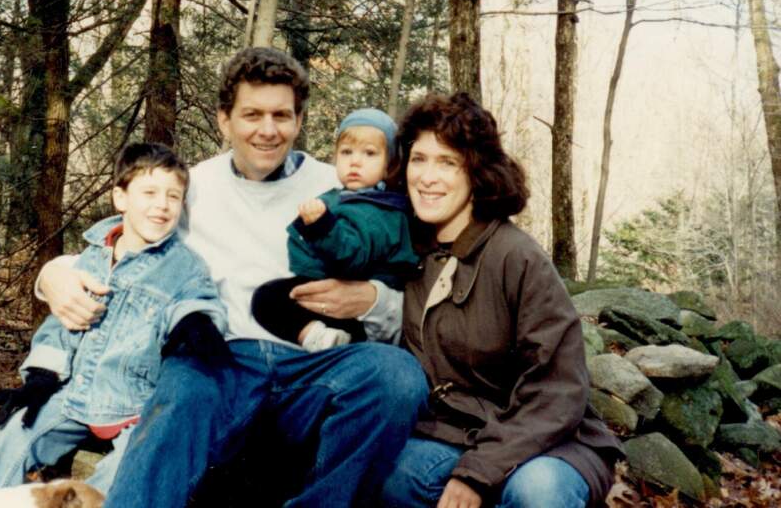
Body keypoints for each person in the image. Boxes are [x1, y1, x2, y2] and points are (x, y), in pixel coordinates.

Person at [37, 47, 428, 508]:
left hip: (311, 363)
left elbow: (403, 283)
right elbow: (125, 246)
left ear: (299, 121)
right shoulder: (193, 188)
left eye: (281, 115)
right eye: (252, 114)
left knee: (397, 376)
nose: (268, 129)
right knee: (181, 384)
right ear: (224, 120)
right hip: (220, 361)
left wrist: (369, 299)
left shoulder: (338, 187)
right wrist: (52, 274)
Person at [381, 93, 622, 508]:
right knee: (388, 477)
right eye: (419, 159)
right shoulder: (403, 249)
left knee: (536, 492)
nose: (427, 176)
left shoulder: (517, 256)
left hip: (550, 442)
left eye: (448, 162)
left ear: (476, 172)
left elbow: (558, 390)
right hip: (452, 436)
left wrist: (477, 473)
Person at [0, 142, 228, 493]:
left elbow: (198, 303)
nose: (162, 205)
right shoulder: (92, 257)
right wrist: (41, 377)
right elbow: (61, 325)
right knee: (14, 436)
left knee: (128, 469)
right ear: (120, 198)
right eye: (149, 192)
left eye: (173, 196)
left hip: (136, 405)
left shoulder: (184, 267)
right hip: (75, 393)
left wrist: (195, 323)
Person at [251, 107, 417, 351]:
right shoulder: (346, 198)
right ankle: (321, 337)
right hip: (330, 291)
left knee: (269, 299)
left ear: (389, 166)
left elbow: (353, 258)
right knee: (268, 298)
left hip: (357, 311)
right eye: (346, 152)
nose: (355, 161)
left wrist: (321, 225)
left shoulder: (382, 211)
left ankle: (325, 339)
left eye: (370, 153)